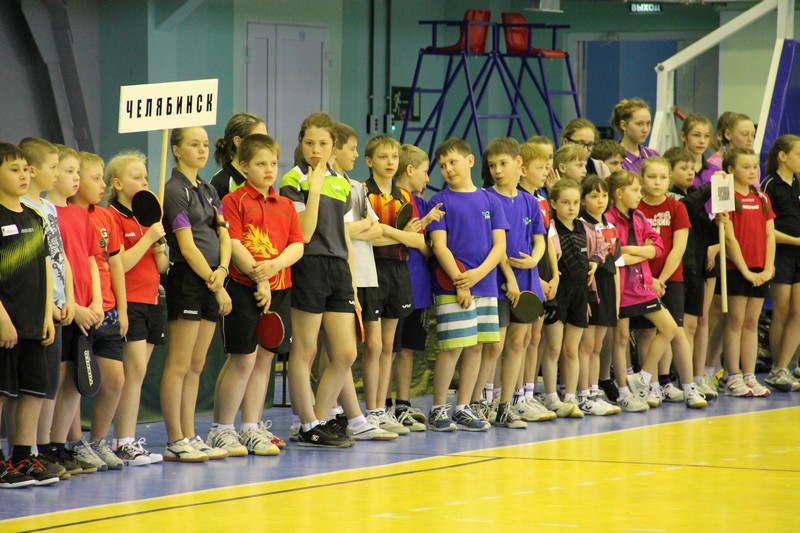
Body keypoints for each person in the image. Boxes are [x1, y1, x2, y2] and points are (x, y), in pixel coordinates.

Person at [208, 134, 304, 456]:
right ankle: (222, 429)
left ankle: (251, 427)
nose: (269, 169)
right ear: (244, 166)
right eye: (261, 163)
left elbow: (297, 245)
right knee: (243, 360)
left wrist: (275, 266)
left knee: (264, 359)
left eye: (273, 163)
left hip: (280, 289)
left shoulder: (286, 205)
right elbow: (233, 243)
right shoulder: (233, 201)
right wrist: (258, 276)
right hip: (243, 288)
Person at [279, 112, 358, 448]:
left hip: (338, 268)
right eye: (309, 143)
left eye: (323, 143)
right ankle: (307, 423)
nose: (316, 149)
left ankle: (320, 418)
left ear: (333, 146)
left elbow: (345, 236)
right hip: (308, 265)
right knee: (306, 349)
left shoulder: (341, 183)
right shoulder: (292, 180)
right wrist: (313, 189)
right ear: (301, 143)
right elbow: (305, 232)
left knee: (346, 353)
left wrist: (352, 281)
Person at [160, 126, 232, 461]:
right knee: (179, 363)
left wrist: (223, 271)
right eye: (193, 144)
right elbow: (187, 247)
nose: (202, 150)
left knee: (197, 363)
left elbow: (224, 233)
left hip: (213, 278)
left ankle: (190, 433)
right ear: (176, 150)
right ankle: (175, 439)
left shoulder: (208, 189)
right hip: (189, 280)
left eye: (204, 144)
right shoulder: (174, 190)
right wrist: (214, 281)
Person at [426, 137, 508, 432]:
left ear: (470, 161)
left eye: (453, 162)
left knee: (475, 347)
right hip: (453, 287)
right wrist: (461, 283)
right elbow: (439, 246)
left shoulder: (491, 200)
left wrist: (478, 275)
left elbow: (499, 246)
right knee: (453, 347)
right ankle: (438, 409)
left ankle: (462, 407)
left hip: (485, 286)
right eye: (442, 165)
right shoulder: (439, 201)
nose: (448, 169)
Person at [18, 137, 79, 477]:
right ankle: (26, 449)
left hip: (58, 305)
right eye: (53, 167)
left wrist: (67, 298)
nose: (57, 174)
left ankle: (39, 449)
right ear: (33, 170)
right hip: (39, 309)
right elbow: (33, 266)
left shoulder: (49, 209)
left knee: (48, 384)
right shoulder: (23, 210)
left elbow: (60, 257)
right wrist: (49, 306)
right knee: (29, 386)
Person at [0, 142, 59, 488]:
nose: (24, 175)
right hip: (5, 323)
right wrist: (2, 318)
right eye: (14, 170)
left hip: (34, 321)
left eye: (26, 169)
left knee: (33, 389)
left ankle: (22, 455)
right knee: (2, 391)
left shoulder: (35, 217)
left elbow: (46, 267)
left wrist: (47, 314)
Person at [106, 150, 168, 465]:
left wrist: (158, 246)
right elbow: (122, 264)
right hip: (129, 302)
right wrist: (147, 240)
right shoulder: (113, 217)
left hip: (152, 300)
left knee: (139, 374)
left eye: (145, 177)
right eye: (136, 177)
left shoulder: (147, 218)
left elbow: (162, 266)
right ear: (117, 183)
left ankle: (127, 439)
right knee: (133, 372)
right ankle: (123, 441)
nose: (144, 182)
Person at [46, 145, 106, 473]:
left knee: (75, 379)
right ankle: (43, 445)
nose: (75, 178)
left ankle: (60, 445)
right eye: (69, 171)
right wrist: (75, 306)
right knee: (57, 376)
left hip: (86, 310)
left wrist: (96, 301)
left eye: (77, 173)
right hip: (65, 310)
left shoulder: (82, 215)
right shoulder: (46, 214)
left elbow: (91, 261)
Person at [72, 152, 131, 469]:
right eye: (95, 178)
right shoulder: (65, 215)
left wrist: (122, 308)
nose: (102, 185)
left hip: (108, 310)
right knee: (72, 385)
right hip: (79, 312)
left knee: (115, 380)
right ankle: (73, 445)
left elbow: (115, 264)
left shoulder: (106, 217)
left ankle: (98, 440)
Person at [482, 137, 546, 429]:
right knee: (493, 346)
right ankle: (483, 401)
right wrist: (509, 277)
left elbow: (539, 240)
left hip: (527, 280)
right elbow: (494, 245)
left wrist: (534, 261)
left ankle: (505, 406)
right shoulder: (486, 198)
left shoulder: (529, 201)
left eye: (503, 164)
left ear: (518, 163)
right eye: (492, 165)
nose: (497, 170)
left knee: (518, 343)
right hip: (496, 281)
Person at [634, 158, 707, 409]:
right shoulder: (636, 208)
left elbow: (678, 248)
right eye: (651, 177)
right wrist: (650, 280)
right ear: (642, 179)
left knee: (676, 331)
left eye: (662, 177)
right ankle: (651, 386)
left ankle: (689, 387)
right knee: (646, 332)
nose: (657, 182)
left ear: (669, 180)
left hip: (671, 279)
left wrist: (662, 279)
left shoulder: (677, 207)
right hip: (641, 280)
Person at [604, 170, 674, 412]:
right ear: (619, 193)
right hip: (621, 288)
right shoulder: (608, 219)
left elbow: (658, 249)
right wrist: (640, 252)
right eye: (634, 190)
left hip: (642, 285)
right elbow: (616, 257)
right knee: (621, 338)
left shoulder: (640, 217)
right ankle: (623, 392)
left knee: (669, 328)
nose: (640, 194)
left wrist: (631, 250)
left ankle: (642, 378)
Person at [663, 146, 719, 400]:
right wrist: (711, 186)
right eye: (683, 168)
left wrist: (718, 225)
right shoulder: (673, 199)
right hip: (680, 269)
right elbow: (687, 208)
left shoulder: (695, 196)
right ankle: (670, 376)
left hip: (697, 267)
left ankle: (693, 376)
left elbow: (703, 229)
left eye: (692, 168)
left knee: (694, 324)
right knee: (676, 326)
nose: (689, 172)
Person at [719, 148, 775, 397]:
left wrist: (768, 267)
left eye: (754, 166)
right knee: (736, 321)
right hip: (736, 269)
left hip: (760, 269)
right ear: (731, 169)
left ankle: (749, 375)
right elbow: (729, 238)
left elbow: (770, 235)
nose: (752, 171)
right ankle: (732, 376)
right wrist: (745, 270)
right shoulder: (726, 196)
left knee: (752, 322)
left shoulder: (762, 198)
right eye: (746, 167)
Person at [391, 143, 437, 430]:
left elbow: (430, 247)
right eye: (425, 171)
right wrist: (415, 238)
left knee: (407, 348)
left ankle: (402, 404)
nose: (428, 178)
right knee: (388, 348)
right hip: (392, 285)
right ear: (410, 170)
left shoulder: (424, 204)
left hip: (418, 289)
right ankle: (382, 405)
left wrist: (421, 239)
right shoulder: (390, 199)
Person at [577, 176, 622, 416]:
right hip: (590, 287)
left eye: (604, 195)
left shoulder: (610, 225)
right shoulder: (581, 225)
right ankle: (583, 394)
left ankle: (594, 392)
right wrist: (584, 297)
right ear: (583, 200)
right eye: (594, 196)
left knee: (597, 346)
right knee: (586, 345)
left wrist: (617, 301)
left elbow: (616, 265)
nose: (600, 200)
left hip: (607, 288)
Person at [762, 135, 800, 392]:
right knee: (782, 311)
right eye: (798, 154)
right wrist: (795, 240)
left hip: (799, 254)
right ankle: (777, 368)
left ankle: (788, 365)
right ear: (782, 156)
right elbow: (764, 228)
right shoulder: (769, 185)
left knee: (799, 311)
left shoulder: (798, 183)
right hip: (781, 255)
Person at [210, 112, 268, 201]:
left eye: (266, 138)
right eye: (258, 138)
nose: (265, 144)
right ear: (238, 141)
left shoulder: (263, 177)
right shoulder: (220, 182)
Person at [611, 98, 660, 174]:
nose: (645, 130)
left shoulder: (654, 155)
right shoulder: (615, 160)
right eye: (639, 124)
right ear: (624, 125)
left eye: (648, 123)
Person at [679, 113, 720, 187]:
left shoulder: (716, 171)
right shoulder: (674, 168)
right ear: (683, 136)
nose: (702, 141)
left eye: (707, 136)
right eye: (696, 135)